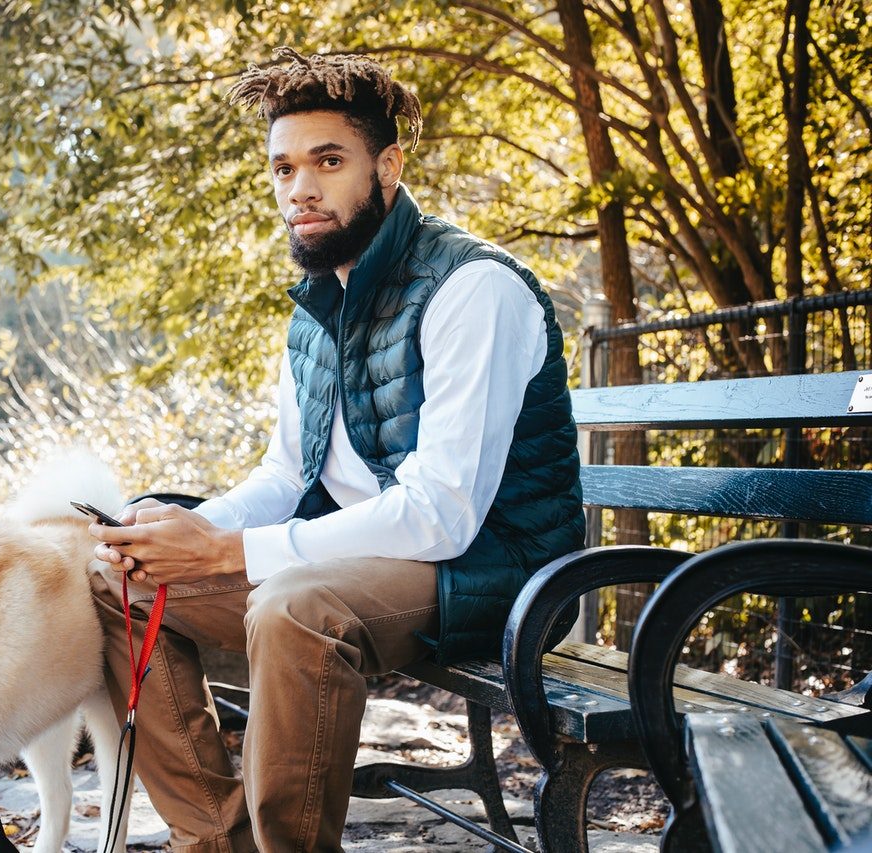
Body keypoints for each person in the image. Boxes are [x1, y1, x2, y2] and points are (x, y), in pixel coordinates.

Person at [87, 47, 584, 853]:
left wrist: (226, 549)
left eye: (327, 161)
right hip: (358, 558)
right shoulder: (320, 304)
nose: (300, 189)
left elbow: (442, 515)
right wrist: (182, 533)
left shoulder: (474, 288)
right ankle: (218, 841)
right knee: (119, 582)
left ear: (385, 166)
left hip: (496, 570)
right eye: (283, 169)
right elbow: (288, 472)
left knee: (294, 607)